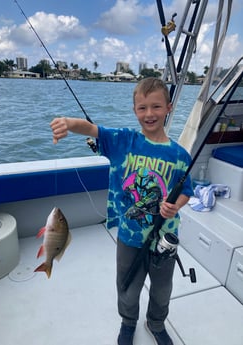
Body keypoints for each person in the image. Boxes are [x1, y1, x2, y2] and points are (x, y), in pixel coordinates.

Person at [50, 77, 193, 345]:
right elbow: (93, 129)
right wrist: (68, 123)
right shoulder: (122, 141)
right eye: (142, 108)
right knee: (127, 285)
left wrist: (175, 206)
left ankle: (156, 323)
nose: (149, 114)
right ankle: (128, 323)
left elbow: (187, 189)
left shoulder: (180, 155)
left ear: (169, 108)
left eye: (156, 107)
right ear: (134, 110)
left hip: (164, 239)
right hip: (129, 235)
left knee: (162, 289)